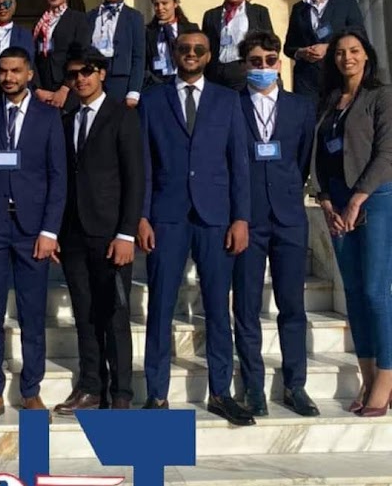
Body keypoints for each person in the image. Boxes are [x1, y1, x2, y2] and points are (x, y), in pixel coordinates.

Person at [137, 28, 254, 425]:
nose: (190, 54)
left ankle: (220, 392)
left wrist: (241, 218)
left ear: (208, 56)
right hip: (166, 217)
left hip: (215, 217)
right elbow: (144, 164)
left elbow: (239, 163)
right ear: (174, 53)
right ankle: (156, 394)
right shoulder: (153, 100)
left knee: (218, 307)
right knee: (160, 306)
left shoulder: (227, 100)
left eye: (198, 49)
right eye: (184, 48)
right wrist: (142, 215)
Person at [0, 46, 67, 424]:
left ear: (29, 74)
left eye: (15, 71)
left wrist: (50, 230)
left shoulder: (48, 117)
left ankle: (31, 390)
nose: (8, 77)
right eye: (3, 71)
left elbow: (58, 177)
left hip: (32, 230)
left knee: (32, 313)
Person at [232, 31, 319, 417]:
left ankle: (295, 385)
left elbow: (302, 159)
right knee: (247, 305)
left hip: (289, 218)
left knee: (292, 305)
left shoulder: (301, 107)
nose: (264, 67)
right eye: (256, 61)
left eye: (270, 60)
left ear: (279, 63)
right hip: (247, 218)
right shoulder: (232, 106)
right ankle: (253, 387)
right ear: (245, 65)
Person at [54, 46, 144, 415]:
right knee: (85, 313)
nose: (81, 79)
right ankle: (91, 386)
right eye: (73, 74)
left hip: (110, 236)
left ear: (102, 73)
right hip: (74, 233)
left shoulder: (122, 116)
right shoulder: (68, 119)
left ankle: (121, 392)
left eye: (87, 71)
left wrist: (126, 234)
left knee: (114, 315)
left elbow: (135, 179)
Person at [315, 29, 392, 416]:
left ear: (367, 55)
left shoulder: (381, 96)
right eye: (340, 52)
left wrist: (358, 199)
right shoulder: (330, 101)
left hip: (375, 199)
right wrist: (326, 200)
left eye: (354, 51)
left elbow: (387, 153)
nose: (347, 57)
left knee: (377, 292)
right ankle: (367, 376)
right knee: (356, 294)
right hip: (338, 203)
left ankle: (386, 380)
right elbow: (320, 155)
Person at [284, 0, 365, 102]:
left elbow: (359, 37)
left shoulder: (346, 3)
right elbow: (289, 47)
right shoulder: (299, 8)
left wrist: (329, 47)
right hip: (306, 81)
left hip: (337, 75)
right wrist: (302, 52)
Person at [202, 0, 274, 90]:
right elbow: (205, 47)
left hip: (243, 71)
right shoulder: (211, 15)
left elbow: (270, 45)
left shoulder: (258, 12)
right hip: (216, 73)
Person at [86, 0, 146, 106]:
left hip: (121, 80)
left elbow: (139, 56)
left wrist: (134, 90)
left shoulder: (134, 17)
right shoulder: (90, 16)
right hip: (94, 75)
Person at [32, 0, 88, 111]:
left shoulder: (78, 19)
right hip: (44, 89)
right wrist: (37, 88)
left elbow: (80, 56)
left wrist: (65, 88)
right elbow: (33, 57)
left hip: (70, 88)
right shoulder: (40, 22)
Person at [144, 0, 191, 87]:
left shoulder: (190, 29)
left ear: (176, 3)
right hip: (157, 83)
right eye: (156, 4)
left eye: (164, 3)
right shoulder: (148, 31)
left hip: (183, 82)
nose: (160, 8)